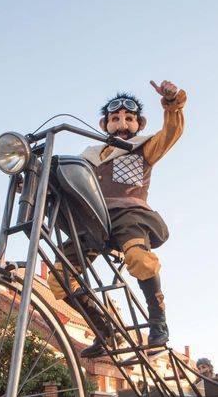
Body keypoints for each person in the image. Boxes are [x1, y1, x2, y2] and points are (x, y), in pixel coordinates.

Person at [48, 80, 187, 357]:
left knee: (138, 256)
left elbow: (171, 132)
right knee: (59, 279)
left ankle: (158, 324)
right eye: (115, 119)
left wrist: (172, 103)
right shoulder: (88, 157)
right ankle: (106, 331)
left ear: (140, 123)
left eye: (129, 118)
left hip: (128, 215)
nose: (122, 123)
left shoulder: (143, 147)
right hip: (93, 219)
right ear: (104, 124)